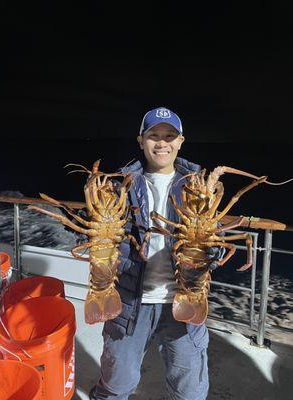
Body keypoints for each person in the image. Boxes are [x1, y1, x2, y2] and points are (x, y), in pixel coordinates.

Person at [89, 107, 222, 400]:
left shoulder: (198, 188)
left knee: (190, 391)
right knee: (115, 385)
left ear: (180, 141)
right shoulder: (120, 185)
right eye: (154, 136)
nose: (162, 143)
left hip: (185, 302)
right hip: (129, 303)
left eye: (169, 136)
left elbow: (218, 240)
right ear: (141, 140)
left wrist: (212, 246)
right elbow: (103, 241)